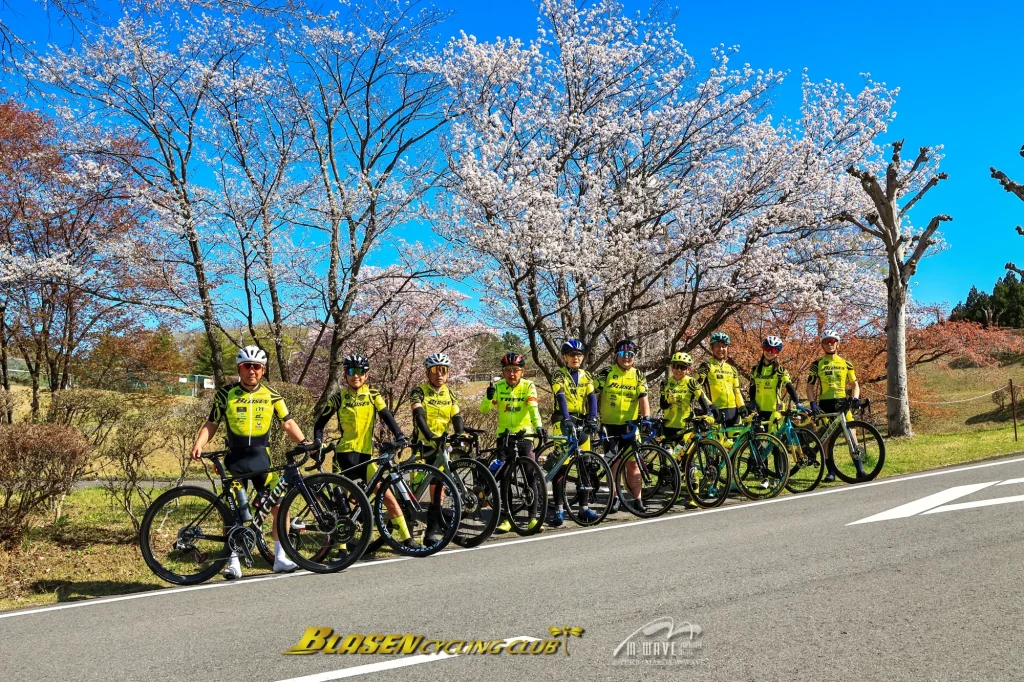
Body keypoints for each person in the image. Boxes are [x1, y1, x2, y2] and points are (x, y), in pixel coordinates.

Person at [190, 346, 308, 579]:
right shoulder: (225, 394)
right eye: (247, 366)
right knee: (234, 513)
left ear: (263, 370)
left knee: (279, 508)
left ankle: (280, 558)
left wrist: (306, 443)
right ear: (239, 369)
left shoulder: (273, 395)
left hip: (262, 461)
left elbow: (288, 422)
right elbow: (211, 423)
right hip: (235, 461)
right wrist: (199, 443)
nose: (251, 371)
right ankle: (233, 562)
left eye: (256, 366)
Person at [313, 354, 421, 550]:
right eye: (351, 372)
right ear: (345, 375)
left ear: (366, 374)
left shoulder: (373, 395)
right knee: (341, 504)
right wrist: (318, 443)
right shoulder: (338, 398)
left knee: (387, 496)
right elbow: (319, 425)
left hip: (365, 456)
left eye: (361, 372)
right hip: (343, 456)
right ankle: (341, 549)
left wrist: (399, 435)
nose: (356, 376)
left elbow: (386, 415)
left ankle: (407, 539)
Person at [479, 352, 546, 533]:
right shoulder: (499, 387)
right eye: (508, 370)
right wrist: (488, 396)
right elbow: (483, 410)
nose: (512, 374)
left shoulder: (528, 386)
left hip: (525, 436)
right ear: (504, 371)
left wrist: (538, 427)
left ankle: (533, 517)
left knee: (531, 474)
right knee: (505, 477)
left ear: (522, 371)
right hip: (505, 437)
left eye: (515, 370)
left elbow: (533, 408)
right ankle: (508, 518)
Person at [409, 352, 464, 544]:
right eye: (434, 370)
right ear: (427, 373)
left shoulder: (450, 392)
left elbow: (456, 416)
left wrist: (460, 433)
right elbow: (419, 414)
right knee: (413, 494)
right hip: (422, 447)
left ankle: (430, 534)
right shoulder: (419, 391)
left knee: (438, 493)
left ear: (448, 373)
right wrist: (430, 435)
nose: (439, 374)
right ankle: (404, 532)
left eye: (443, 370)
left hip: (441, 449)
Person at [548, 339, 600, 526]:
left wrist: (593, 417)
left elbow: (592, 397)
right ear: (564, 357)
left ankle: (584, 508)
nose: (575, 358)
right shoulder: (558, 374)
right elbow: (560, 396)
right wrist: (566, 418)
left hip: (581, 419)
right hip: (562, 420)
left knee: (584, 464)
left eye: (578, 355)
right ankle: (559, 509)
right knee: (563, 465)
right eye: (571, 355)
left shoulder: (587, 375)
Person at [595, 339, 650, 514]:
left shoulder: (638, 374)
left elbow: (643, 397)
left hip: (630, 427)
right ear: (616, 355)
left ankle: (638, 499)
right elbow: (593, 395)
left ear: (634, 356)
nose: (626, 358)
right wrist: (591, 416)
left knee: (633, 465)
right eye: (622, 354)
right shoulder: (606, 372)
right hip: (609, 426)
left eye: (630, 355)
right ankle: (615, 498)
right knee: (614, 464)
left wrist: (646, 417)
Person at [806, 329, 864, 481]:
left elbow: (855, 384)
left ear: (837, 344)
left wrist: (855, 398)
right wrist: (812, 403)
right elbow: (810, 386)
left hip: (842, 403)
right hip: (825, 404)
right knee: (827, 439)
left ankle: (860, 470)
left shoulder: (846, 363)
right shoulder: (816, 364)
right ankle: (831, 472)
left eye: (832, 341)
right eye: (826, 342)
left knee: (851, 436)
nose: (830, 344)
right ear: (822, 345)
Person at [660, 351, 718, 444]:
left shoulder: (691, 382)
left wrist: (709, 414)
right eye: (676, 366)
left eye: (682, 367)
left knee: (685, 455)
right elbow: (662, 405)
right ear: (671, 367)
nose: (679, 370)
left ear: (688, 369)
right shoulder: (665, 383)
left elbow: (702, 398)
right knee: (669, 456)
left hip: (686, 425)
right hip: (668, 425)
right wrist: (668, 401)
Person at [695, 332, 747, 427]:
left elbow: (737, 391)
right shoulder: (706, 366)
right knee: (718, 442)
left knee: (737, 441)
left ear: (727, 348)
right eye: (717, 346)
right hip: (716, 412)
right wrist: (710, 406)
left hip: (734, 413)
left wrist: (742, 406)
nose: (721, 349)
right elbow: (696, 388)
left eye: (724, 346)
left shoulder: (732, 369)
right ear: (712, 348)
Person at [749, 335, 802, 423]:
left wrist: (797, 403)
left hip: (775, 411)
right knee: (758, 436)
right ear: (763, 349)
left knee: (774, 436)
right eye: (767, 348)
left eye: (773, 350)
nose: (770, 352)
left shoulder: (780, 370)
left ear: (777, 353)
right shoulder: (755, 370)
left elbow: (789, 386)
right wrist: (752, 401)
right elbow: (752, 387)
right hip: (758, 410)